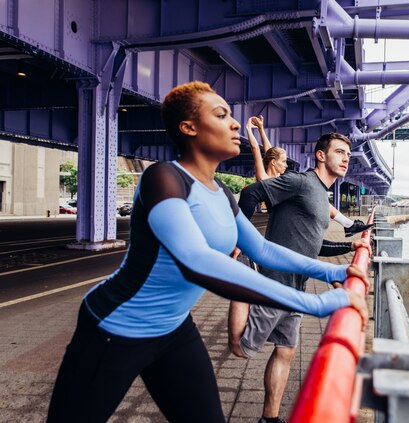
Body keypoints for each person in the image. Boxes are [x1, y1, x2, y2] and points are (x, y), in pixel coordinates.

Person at [46, 81, 368, 423]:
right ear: (189, 128)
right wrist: (316, 304)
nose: (233, 124)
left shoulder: (221, 194)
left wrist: (333, 272)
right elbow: (196, 262)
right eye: (221, 115)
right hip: (116, 327)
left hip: (173, 328)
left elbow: (262, 248)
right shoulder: (163, 178)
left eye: (231, 115)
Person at [229, 132, 369, 423]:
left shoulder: (321, 195)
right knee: (240, 347)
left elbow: (313, 244)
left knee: (287, 350)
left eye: (348, 154)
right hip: (274, 280)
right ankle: (240, 274)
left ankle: (270, 418)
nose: (346, 158)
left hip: (297, 283)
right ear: (321, 155)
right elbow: (252, 193)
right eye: (340, 152)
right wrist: (238, 239)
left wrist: (348, 246)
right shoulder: (301, 181)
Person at [245, 115, 373, 237]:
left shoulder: (279, 176)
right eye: (283, 162)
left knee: (315, 196)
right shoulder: (264, 177)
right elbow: (255, 148)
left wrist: (261, 129)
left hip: (288, 207)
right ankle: (348, 224)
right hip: (283, 214)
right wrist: (248, 129)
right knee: (314, 195)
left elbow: (269, 151)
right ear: (273, 162)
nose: (286, 165)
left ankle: (348, 224)